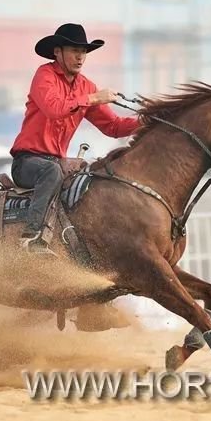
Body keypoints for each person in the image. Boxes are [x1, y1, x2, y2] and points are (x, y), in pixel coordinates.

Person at [9, 23, 140, 255]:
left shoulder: (85, 86)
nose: (80, 57)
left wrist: (147, 121)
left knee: (91, 180)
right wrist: (93, 98)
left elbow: (113, 126)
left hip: (56, 163)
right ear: (57, 52)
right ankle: (31, 238)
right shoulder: (45, 75)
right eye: (74, 50)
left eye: (84, 52)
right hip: (27, 162)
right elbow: (54, 108)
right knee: (52, 172)